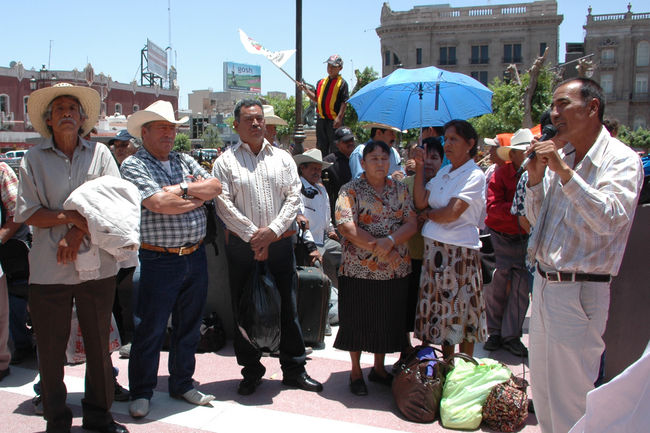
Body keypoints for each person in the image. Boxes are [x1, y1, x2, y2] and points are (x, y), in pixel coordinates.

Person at [524, 78, 643, 433]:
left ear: (592, 108)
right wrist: (536, 181)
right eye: (552, 106)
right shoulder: (564, 158)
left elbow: (610, 219)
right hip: (545, 284)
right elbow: (538, 221)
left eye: (563, 104)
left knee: (571, 401)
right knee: (544, 395)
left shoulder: (620, 159)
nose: (553, 113)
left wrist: (564, 174)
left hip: (578, 292)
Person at [15, 82, 127, 433]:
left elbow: (114, 203)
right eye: (59, 109)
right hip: (48, 270)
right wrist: (74, 218)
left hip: (98, 267)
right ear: (49, 120)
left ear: (82, 118)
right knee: (49, 352)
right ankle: (56, 420)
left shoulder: (101, 155)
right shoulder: (33, 159)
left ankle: (99, 416)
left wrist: (77, 232)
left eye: (72, 109)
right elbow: (29, 213)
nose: (66, 113)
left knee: (99, 347)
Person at [213, 99, 323, 396]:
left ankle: (294, 369)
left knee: (288, 307)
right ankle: (251, 371)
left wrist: (271, 233)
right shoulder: (224, 162)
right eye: (249, 119)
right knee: (243, 309)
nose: (256, 123)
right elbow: (223, 204)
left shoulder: (283, 158)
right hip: (242, 247)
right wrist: (255, 236)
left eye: (260, 118)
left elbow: (293, 197)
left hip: (280, 245)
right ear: (236, 125)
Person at [120, 100, 222, 418]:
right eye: (162, 128)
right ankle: (141, 391)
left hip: (195, 255)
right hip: (158, 258)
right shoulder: (134, 165)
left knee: (189, 326)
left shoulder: (184, 158)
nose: (169, 134)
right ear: (145, 132)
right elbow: (158, 203)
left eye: (172, 128)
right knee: (150, 328)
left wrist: (179, 190)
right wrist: (195, 194)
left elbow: (215, 186)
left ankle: (182, 383)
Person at [334, 140, 416, 396]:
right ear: (363, 162)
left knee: (385, 321)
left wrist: (390, 241)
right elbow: (346, 226)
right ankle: (356, 372)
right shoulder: (350, 190)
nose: (380, 163)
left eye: (384, 158)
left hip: (394, 269)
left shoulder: (400, 189)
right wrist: (377, 247)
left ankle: (379, 369)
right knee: (357, 321)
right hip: (359, 269)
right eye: (374, 158)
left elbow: (411, 223)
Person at [412, 119, 488, 359]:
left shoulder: (474, 175)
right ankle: (446, 365)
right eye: (446, 139)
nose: (448, 145)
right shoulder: (445, 172)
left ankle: (463, 366)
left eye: (454, 139)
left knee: (461, 314)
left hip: (458, 253)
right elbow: (421, 200)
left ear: (470, 144)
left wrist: (427, 216)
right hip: (435, 253)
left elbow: (450, 213)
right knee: (443, 317)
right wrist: (420, 167)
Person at [483, 129, 534, 357]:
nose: (527, 156)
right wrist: (519, 210)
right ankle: (494, 332)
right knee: (496, 285)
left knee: (521, 290)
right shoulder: (500, 175)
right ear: (512, 154)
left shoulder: (537, 175)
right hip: (500, 237)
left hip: (523, 238)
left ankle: (511, 335)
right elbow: (492, 208)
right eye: (523, 152)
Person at [400, 137, 443, 364]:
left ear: (442, 161)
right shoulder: (404, 185)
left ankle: (427, 353)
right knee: (405, 308)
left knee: (430, 309)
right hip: (409, 256)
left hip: (436, 258)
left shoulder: (444, 185)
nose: (429, 162)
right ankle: (405, 350)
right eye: (424, 157)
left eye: (435, 158)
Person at [293, 149, 341, 289]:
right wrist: (311, 248)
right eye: (313, 169)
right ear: (303, 168)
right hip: (308, 242)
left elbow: (327, 215)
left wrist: (331, 230)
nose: (317, 172)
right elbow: (300, 221)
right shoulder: (297, 188)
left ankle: (341, 292)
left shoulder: (321, 190)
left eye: (319, 169)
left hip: (324, 238)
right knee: (316, 273)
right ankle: (324, 299)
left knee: (345, 256)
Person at [299, 55, 349, 155]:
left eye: (333, 66)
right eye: (329, 66)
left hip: (334, 121)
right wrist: (306, 90)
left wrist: (339, 118)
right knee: (321, 147)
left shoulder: (342, 83)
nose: (330, 69)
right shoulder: (321, 82)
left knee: (335, 148)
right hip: (321, 120)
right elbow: (316, 98)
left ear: (340, 68)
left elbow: (344, 102)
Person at [323, 126, 355, 221]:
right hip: (339, 212)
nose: (350, 143)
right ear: (337, 144)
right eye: (346, 141)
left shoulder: (360, 159)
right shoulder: (329, 162)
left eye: (351, 140)